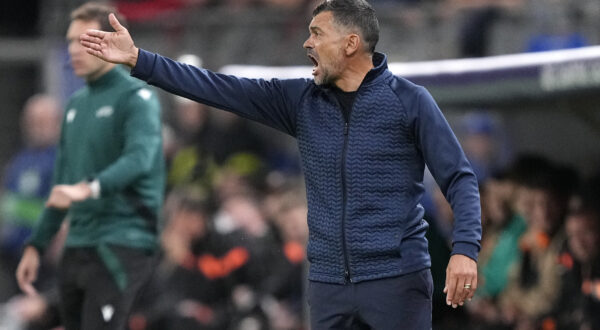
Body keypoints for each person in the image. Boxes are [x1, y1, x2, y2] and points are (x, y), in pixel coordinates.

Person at [80, 0, 482, 328]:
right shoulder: (300, 102)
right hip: (328, 286)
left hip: (395, 280)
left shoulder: (410, 102)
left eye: (317, 33)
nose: (306, 43)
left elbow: (459, 179)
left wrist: (465, 249)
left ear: (350, 43)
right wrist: (139, 60)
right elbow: (217, 88)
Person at [15, 2, 164, 329]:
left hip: (122, 240)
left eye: (83, 39)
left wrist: (87, 188)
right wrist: (36, 246)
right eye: (70, 41)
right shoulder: (74, 107)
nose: (74, 49)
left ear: (110, 41)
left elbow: (140, 159)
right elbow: (61, 186)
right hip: (79, 244)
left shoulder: (137, 98)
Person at [0, 94, 61, 302]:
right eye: (32, 122)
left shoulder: (62, 159)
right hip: (11, 254)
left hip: (43, 258)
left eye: (42, 121)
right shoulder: (21, 159)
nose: (36, 127)